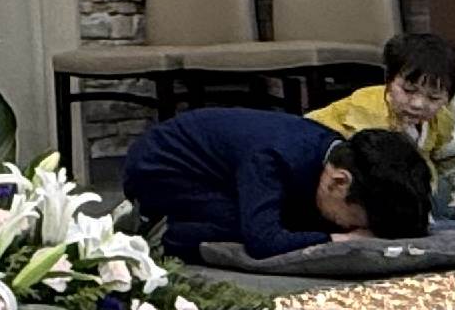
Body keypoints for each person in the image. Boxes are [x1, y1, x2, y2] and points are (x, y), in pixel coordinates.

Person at [120, 108, 435, 263]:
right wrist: (340, 237)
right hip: (162, 167)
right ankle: (159, 230)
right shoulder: (273, 157)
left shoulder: (336, 154)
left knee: (291, 220)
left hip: (224, 169)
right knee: (249, 225)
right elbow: (263, 241)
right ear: (340, 181)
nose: (358, 230)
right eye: (357, 221)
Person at [310, 30, 455, 216]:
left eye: (434, 98)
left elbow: (453, 161)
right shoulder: (367, 113)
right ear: (389, 81)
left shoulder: (441, 118)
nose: (417, 104)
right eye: (408, 90)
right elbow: (378, 176)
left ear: (449, 98)